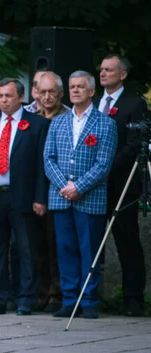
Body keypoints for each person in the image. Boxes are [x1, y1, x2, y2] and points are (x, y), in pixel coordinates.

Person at [0, 78, 50, 316]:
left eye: (9, 96)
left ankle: (26, 298)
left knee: (26, 248)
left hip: (23, 196)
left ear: (21, 98)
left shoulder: (36, 124)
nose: (4, 100)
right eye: (0, 96)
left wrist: (40, 198)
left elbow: (41, 165)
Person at [44, 71, 117, 319]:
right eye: (72, 86)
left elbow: (104, 163)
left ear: (91, 91)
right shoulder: (58, 122)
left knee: (90, 251)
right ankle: (69, 299)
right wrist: (65, 185)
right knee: (65, 250)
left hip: (90, 197)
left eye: (80, 87)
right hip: (61, 195)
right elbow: (48, 158)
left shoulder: (106, 123)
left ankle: (88, 302)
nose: (75, 90)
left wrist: (79, 187)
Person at [94, 55, 148, 317]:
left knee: (127, 241)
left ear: (122, 74)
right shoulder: (93, 102)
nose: (103, 73)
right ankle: (90, 297)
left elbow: (135, 143)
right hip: (92, 185)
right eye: (101, 69)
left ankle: (133, 299)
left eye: (109, 70)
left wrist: (107, 167)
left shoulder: (134, 103)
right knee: (92, 240)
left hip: (121, 183)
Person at [33, 71, 68, 313]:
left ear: (60, 94)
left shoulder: (68, 117)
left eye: (51, 92)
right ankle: (41, 292)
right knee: (36, 247)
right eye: (42, 92)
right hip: (33, 190)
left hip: (59, 189)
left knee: (57, 245)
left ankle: (58, 293)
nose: (46, 97)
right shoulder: (30, 116)